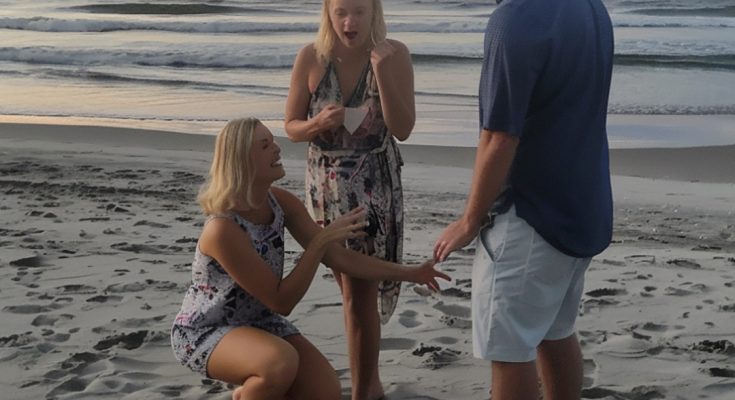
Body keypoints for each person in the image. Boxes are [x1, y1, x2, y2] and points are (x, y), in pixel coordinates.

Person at [171, 118, 447, 400]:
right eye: (265, 146)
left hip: (260, 323)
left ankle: (247, 392)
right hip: (208, 330)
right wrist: (320, 242)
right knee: (278, 363)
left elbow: (341, 259)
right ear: (241, 160)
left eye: (273, 141)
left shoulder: (280, 202)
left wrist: (411, 272)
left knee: (325, 391)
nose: (277, 149)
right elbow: (282, 301)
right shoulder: (223, 228)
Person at [433, 0, 614, 399]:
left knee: (511, 349)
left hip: (530, 214)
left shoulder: (514, 18)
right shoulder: (591, 8)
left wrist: (469, 220)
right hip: (581, 204)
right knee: (555, 331)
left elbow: (499, 136)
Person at [284, 0, 415, 398]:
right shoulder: (311, 57)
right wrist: (316, 124)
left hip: (374, 186)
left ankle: (363, 390)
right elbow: (290, 127)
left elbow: (403, 128)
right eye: (341, 11)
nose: (349, 21)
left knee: (359, 290)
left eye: (358, 11)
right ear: (327, 12)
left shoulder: (395, 54)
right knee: (350, 288)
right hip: (324, 186)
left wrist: (380, 70)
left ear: (374, 12)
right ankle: (370, 383)